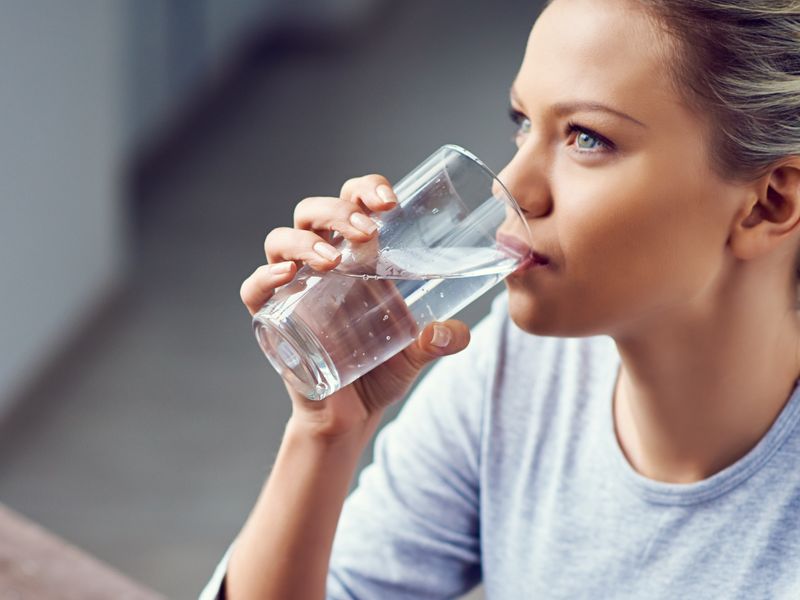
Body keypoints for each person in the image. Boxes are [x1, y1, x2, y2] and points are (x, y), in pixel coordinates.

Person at [201, 0, 800, 597]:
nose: (508, 186)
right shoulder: (517, 375)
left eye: (587, 137)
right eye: (522, 122)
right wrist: (325, 434)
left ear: (769, 203)